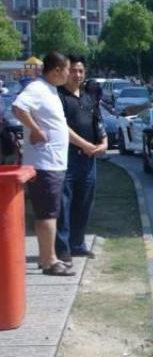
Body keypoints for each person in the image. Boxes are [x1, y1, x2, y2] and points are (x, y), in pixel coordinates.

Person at [12, 52, 82, 276]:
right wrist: (35, 129)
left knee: (51, 212)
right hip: (45, 164)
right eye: (68, 69)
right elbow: (18, 108)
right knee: (48, 214)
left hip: (54, 163)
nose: (71, 74)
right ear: (57, 70)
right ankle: (50, 260)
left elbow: (58, 125)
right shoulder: (37, 89)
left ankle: (46, 258)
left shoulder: (50, 91)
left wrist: (86, 145)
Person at [55, 54, 108, 263]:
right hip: (67, 158)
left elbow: (98, 123)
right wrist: (85, 145)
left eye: (81, 71)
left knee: (84, 203)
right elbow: (61, 128)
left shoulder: (89, 97)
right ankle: (63, 248)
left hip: (89, 161)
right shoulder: (58, 97)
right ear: (66, 72)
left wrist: (103, 143)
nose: (77, 74)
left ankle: (78, 245)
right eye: (74, 70)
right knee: (64, 204)